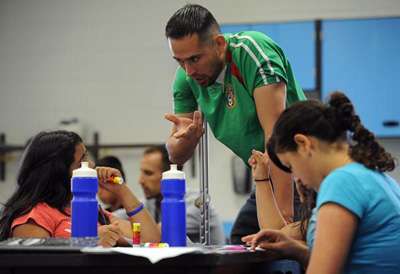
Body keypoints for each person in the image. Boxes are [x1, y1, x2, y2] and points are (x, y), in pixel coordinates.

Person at [164, 4, 306, 243]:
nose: (188, 71)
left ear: (219, 45)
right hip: (266, 178)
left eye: (195, 59)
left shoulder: (252, 51)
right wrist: (184, 142)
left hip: (303, 173)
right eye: (179, 62)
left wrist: (285, 220)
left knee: (280, 248)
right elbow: (175, 156)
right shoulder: (186, 78)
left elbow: (277, 138)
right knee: (241, 239)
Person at [243, 92, 400, 273]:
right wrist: (298, 251)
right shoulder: (373, 176)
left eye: (291, 165)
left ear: (303, 144)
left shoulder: (342, 182)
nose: (297, 178)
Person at [0, 131, 160, 247]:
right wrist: (87, 242)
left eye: (87, 156)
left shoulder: (95, 212)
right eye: (82, 160)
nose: (91, 165)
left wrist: (121, 190)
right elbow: (33, 264)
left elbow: (151, 240)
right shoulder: (35, 215)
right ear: (59, 172)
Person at [139, 145, 225, 244]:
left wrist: (122, 189)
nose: (140, 180)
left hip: (210, 259)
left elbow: (158, 234)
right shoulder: (151, 202)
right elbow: (122, 216)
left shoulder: (196, 202)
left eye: (148, 173)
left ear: (167, 176)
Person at [96, 155, 129, 220]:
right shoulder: (103, 213)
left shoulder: (131, 214)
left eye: (102, 186)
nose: (98, 192)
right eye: (97, 185)